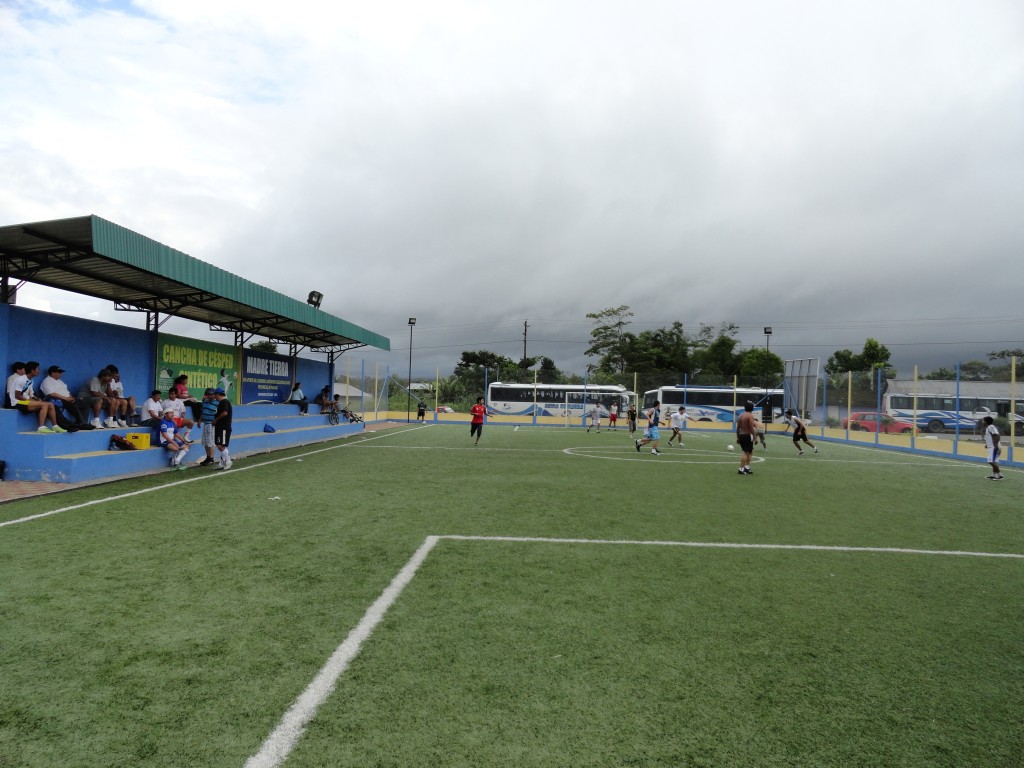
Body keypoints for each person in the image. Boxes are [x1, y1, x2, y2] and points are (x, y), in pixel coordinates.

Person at [7, 361, 64, 433]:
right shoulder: (21, 380)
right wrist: (30, 401)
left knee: (51, 405)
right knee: (44, 404)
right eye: (38, 369)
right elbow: (17, 395)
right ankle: (41, 427)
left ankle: (55, 426)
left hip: (25, 401)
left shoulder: (30, 380)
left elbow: (29, 394)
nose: (39, 371)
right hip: (17, 402)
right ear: (32, 370)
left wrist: (35, 400)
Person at [39, 365, 90, 430]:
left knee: (84, 403)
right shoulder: (46, 381)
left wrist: (71, 397)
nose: (61, 374)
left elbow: (66, 391)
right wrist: (66, 398)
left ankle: (82, 423)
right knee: (67, 404)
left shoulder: (60, 381)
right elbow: (52, 394)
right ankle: (73, 425)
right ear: (53, 373)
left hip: (66, 399)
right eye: (59, 372)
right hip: (55, 400)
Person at [212, 388, 233, 470]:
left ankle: (228, 461)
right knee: (219, 444)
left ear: (218, 394)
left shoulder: (225, 402)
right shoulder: (221, 402)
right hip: (220, 428)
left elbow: (225, 413)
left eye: (215, 394)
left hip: (224, 428)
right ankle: (222, 463)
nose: (214, 396)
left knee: (221, 445)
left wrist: (215, 420)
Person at [197, 388, 218, 467]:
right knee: (205, 442)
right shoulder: (205, 402)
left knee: (211, 442)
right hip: (205, 423)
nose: (210, 396)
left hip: (212, 424)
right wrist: (199, 420)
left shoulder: (217, 403)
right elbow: (203, 411)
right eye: (209, 394)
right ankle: (208, 457)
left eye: (212, 394)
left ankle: (211, 458)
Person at [736, 401, 758, 475]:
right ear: (752, 408)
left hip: (741, 435)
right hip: (747, 435)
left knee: (749, 451)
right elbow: (751, 427)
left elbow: (738, 428)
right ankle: (742, 468)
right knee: (746, 452)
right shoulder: (750, 415)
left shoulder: (741, 415)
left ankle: (746, 468)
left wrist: (738, 437)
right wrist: (755, 436)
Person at [983, 415, 1003, 480]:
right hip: (991, 447)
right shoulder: (989, 427)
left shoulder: (990, 427)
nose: (982, 422)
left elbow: (997, 435)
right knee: (994, 461)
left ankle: (999, 475)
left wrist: (995, 444)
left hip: (993, 447)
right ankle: (995, 474)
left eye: (983, 421)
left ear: (986, 421)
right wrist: (987, 444)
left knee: (991, 461)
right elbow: (991, 437)